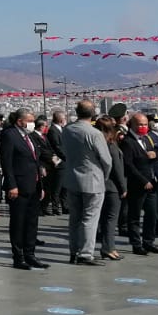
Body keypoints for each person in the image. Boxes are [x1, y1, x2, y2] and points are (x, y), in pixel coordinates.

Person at [61, 100, 111, 265]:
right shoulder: (94, 133)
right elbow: (106, 160)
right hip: (93, 179)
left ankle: (73, 251)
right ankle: (86, 253)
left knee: (74, 218)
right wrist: (104, 175)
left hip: (72, 178)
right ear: (93, 113)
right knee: (90, 218)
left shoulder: (67, 130)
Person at [0, 109, 47, 269]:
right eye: (30, 120)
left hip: (33, 185)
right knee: (18, 222)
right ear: (20, 121)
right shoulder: (10, 135)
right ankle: (18, 257)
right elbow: (7, 162)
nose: (32, 123)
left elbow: (35, 159)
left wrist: (39, 185)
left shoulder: (30, 136)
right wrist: (12, 185)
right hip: (19, 186)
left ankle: (30, 254)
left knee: (32, 222)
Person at [122, 114, 158, 256]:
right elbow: (128, 165)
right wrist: (143, 181)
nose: (143, 127)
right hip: (138, 184)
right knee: (134, 216)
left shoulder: (146, 138)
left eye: (145, 124)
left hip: (152, 182)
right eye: (140, 125)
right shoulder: (128, 141)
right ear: (132, 125)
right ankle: (136, 244)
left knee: (152, 214)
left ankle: (149, 242)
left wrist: (155, 154)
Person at [96, 118, 125, 261]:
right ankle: (109, 248)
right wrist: (123, 187)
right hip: (112, 186)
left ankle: (108, 247)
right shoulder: (111, 145)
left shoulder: (98, 144)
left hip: (101, 184)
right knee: (111, 219)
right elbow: (117, 169)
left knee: (105, 218)